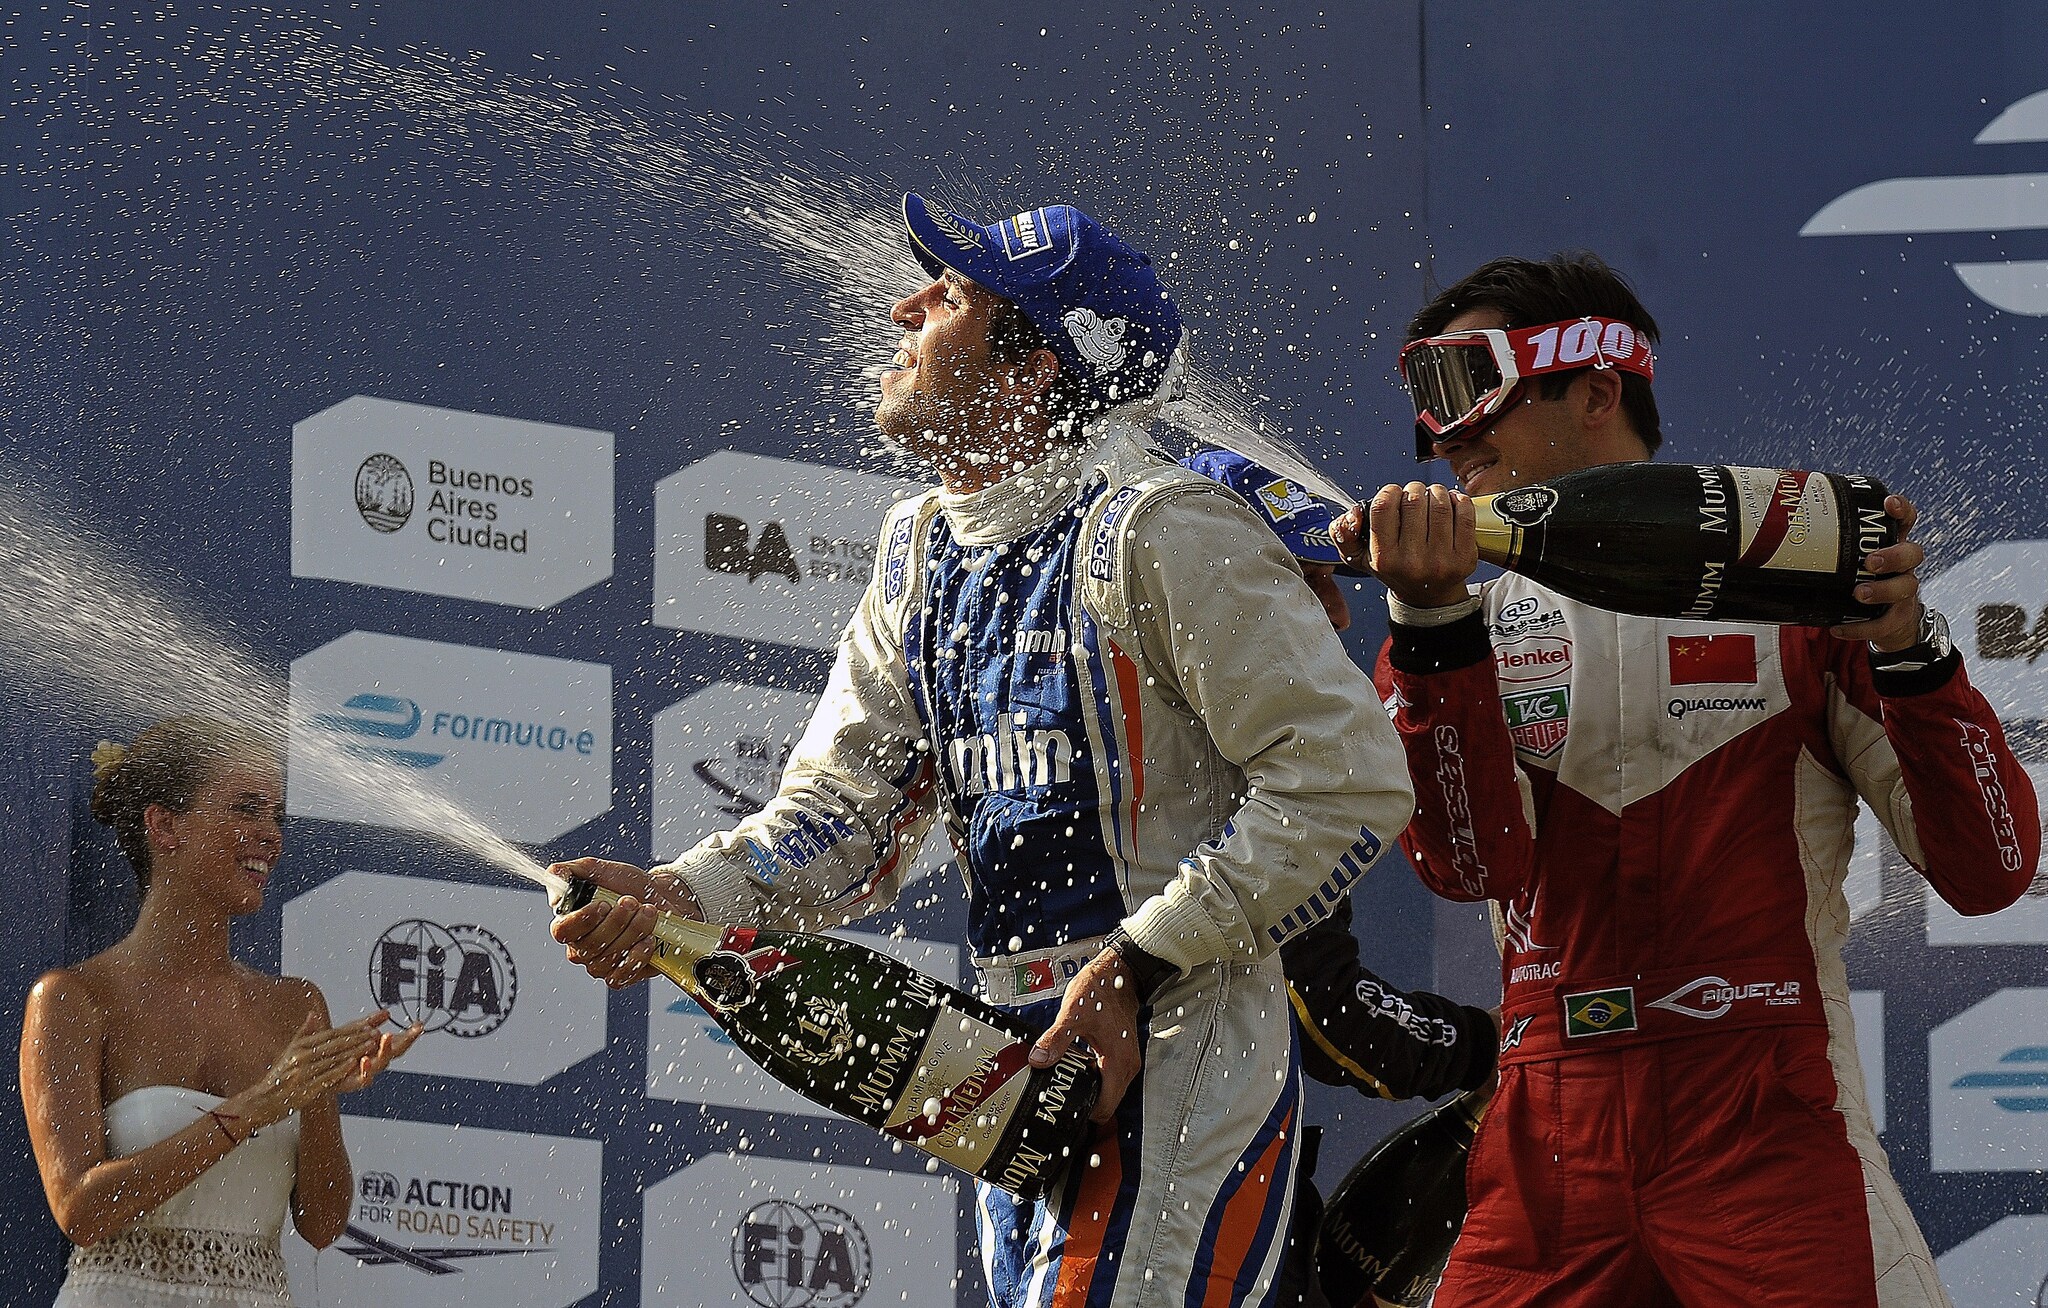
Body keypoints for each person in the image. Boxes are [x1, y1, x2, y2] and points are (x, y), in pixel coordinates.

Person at [552, 195, 1416, 1307]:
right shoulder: (917, 547)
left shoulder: (1162, 527)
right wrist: (684, 894)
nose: (904, 307)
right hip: (1010, 1064)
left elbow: (1349, 781)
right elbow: (846, 819)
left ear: (1030, 372)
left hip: (1178, 1034)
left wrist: (1136, 964)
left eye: (952, 293)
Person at [1338, 252, 2041, 1307]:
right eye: (1424, 402)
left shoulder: (1806, 589)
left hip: (1765, 1114)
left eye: (1467, 385)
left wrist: (1913, 652)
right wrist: (1430, 626)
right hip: (1549, 1132)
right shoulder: (1452, 632)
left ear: (1595, 390)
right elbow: (1471, 868)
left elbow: (1989, 871)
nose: (1445, 437)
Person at [1182, 448, 1499, 1308]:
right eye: (1307, 579)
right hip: (1188, 1195)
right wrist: (1493, 1047)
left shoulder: (1124, 708)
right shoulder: (1239, 753)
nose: (1338, 611)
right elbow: (1325, 1015)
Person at [21, 716, 420, 1308]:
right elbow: (81, 1211)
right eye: (246, 809)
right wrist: (258, 1106)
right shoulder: (73, 999)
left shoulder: (296, 1006)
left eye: (276, 817)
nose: (270, 836)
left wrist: (312, 1095)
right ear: (165, 826)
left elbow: (321, 1224)